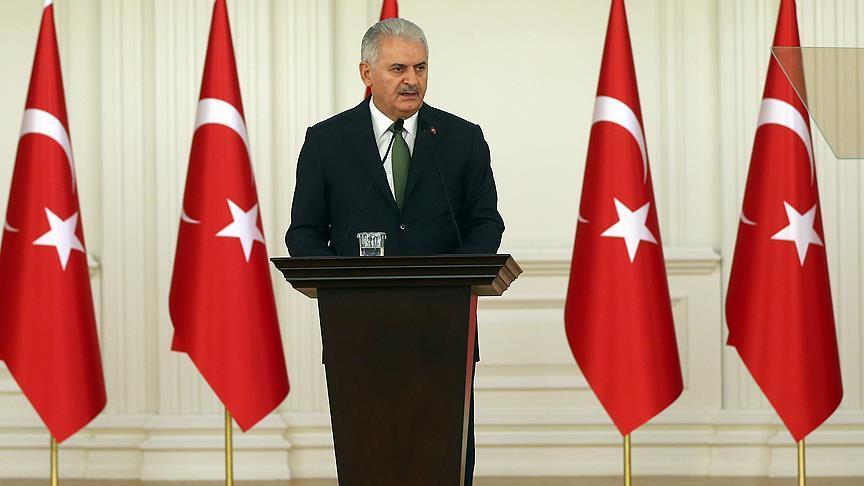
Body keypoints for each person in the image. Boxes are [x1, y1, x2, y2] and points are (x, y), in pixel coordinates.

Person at [285, 17, 504, 484]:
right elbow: (303, 234)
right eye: (398, 68)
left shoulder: (462, 138)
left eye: (420, 68)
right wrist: (341, 285)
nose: (412, 80)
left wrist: (448, 280)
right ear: (366, 73)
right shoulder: (327, 141)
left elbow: (486, 224)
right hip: (358, 336)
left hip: (443, 335)